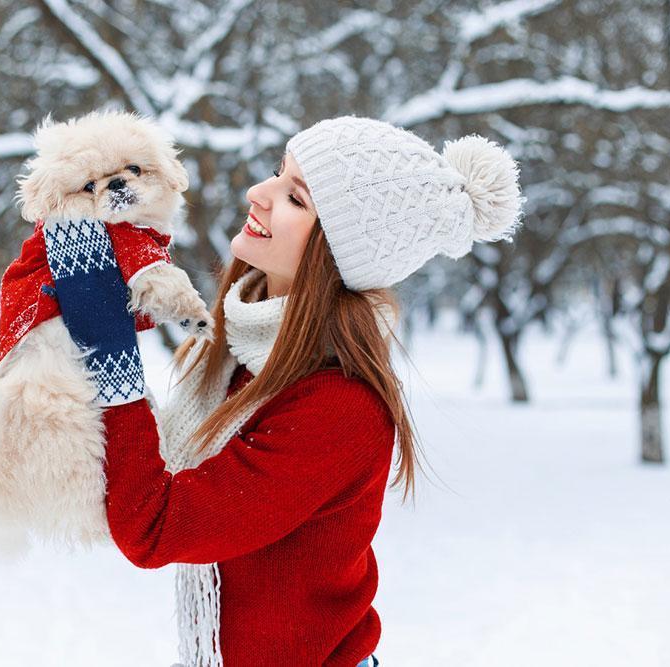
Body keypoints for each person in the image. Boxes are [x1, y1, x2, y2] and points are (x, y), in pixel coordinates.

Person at [100, 116, 525, 666]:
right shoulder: (240, 348)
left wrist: (106, 354)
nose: (259, 193)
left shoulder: (338, 406)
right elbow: (144, 473)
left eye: (296, 198)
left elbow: (155, 525)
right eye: (278, 172)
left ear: (337, 250)